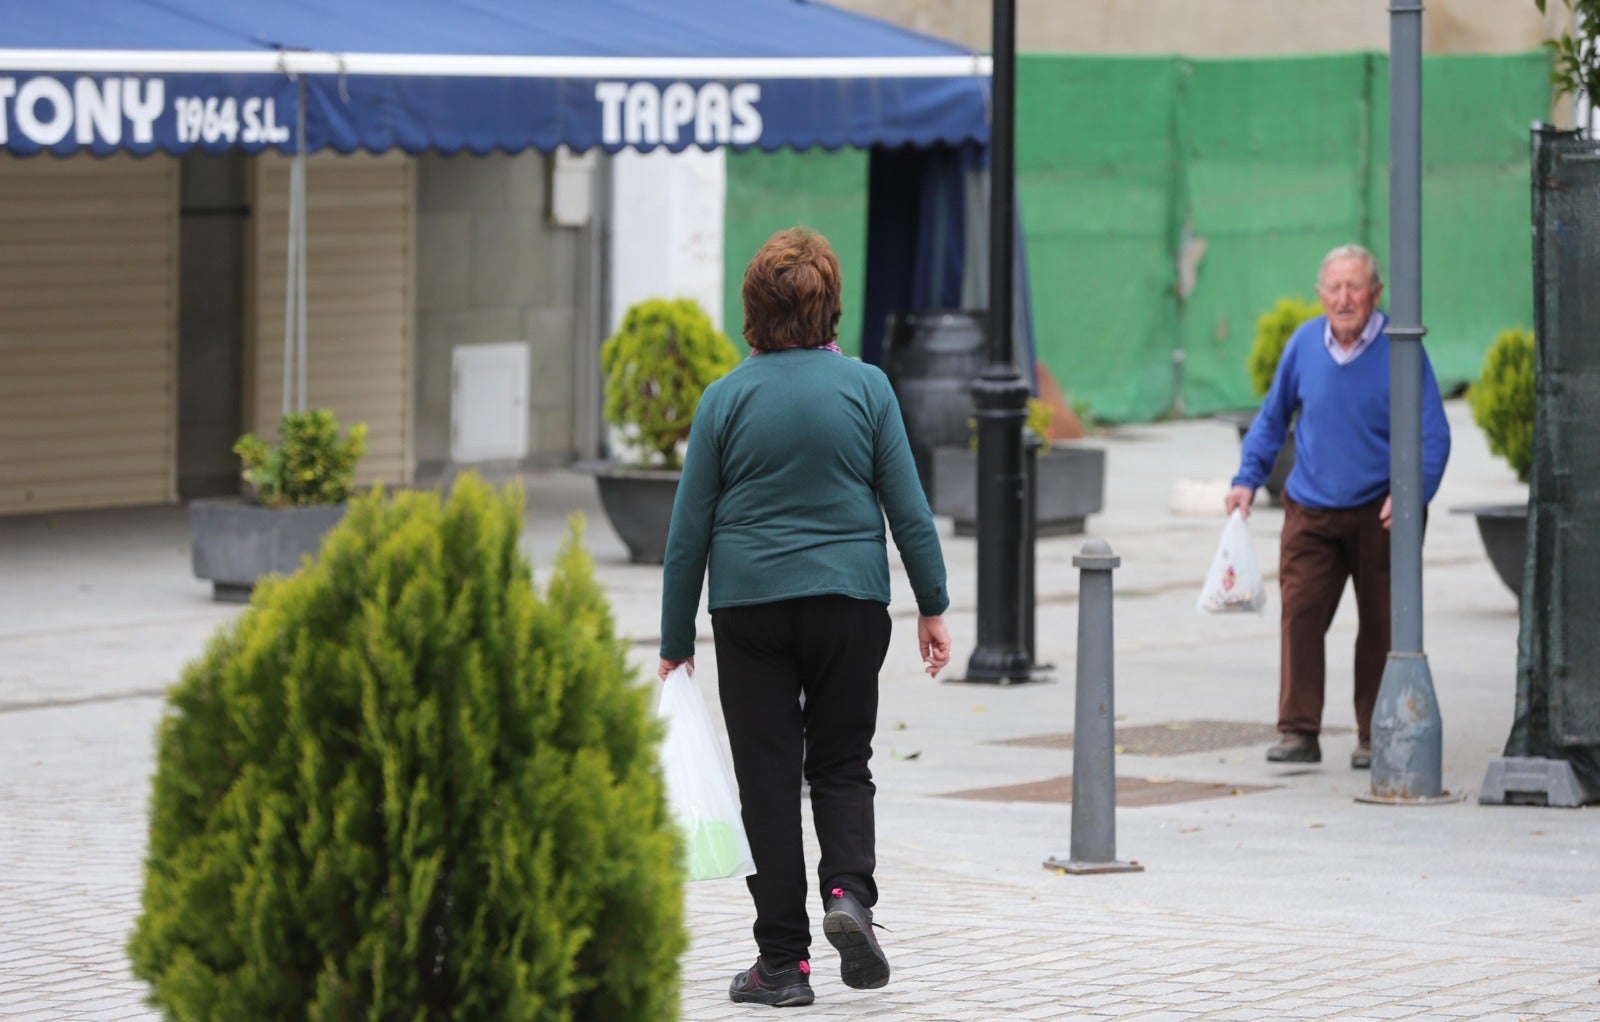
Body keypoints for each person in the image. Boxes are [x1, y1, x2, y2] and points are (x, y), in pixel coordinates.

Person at [658, 227, 953, 1008]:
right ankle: (849, 895)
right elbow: (909, 510)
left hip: (750, 607)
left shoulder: (723, 400)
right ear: (831, 309)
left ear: (754, 312)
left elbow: (687, 532)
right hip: (850, 603)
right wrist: (933, 604)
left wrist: (674, 641)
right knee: (841, 761)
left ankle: (782, 966)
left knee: (765, 781)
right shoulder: (867, 389)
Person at [1226, 243, 1450, 770]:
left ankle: (1375, 734)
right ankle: (1299, 731)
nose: (1345, 298)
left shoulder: (1402, 348)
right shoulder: (1304, 343)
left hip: (1381, 510)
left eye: (1355, 287)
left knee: (1381, 626)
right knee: (1300, 617)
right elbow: (1271, 418)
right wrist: (1245, 480)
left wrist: (1413, 492)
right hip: (1311, 509)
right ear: (1320, 294)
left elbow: (1433, 434)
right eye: (1335, 288)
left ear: (1376, 292)